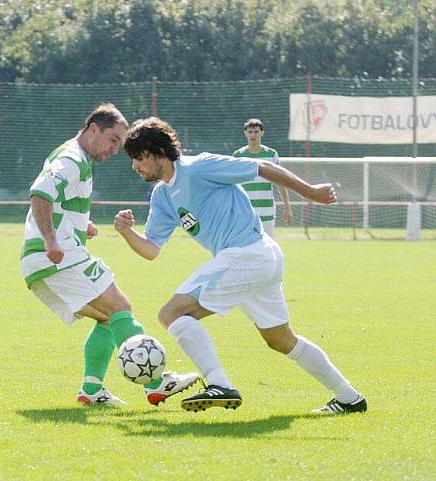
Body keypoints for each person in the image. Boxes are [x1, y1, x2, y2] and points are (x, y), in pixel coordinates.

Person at [114, 116, 366, 414]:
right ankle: (349, 398)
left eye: (138, 158)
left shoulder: (199, 167)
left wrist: (310, 193)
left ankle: (220, 383)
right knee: (281, 340)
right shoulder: (162, 196)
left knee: (172, 313)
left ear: (158, 152)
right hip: (257, 258)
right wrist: (126, 231)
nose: (135, 166)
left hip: (247, 253)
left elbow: (263, 168)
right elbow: (151, 249)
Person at [20, 104, 199, 406]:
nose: (116, 148)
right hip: (57, 257)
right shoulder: (72, 159)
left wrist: (80, 224)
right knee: (119, 306)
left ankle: (91, 390)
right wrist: (51, 240)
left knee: (106, 318)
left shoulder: (79, 161)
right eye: (113, 139)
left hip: (46, 259)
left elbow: (58, 200)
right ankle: (156, 383)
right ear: (93, 130)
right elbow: (40, 193)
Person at [233, 118, 292, 238]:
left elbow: (280, 182)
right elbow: (233, 183)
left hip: (266, 209)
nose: (253, 135)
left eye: (256, 132)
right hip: (245, 211)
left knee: (268, 245)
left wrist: (287, 206)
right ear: (245, 134)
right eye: (250, 132)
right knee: (245, 246)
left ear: (262, 133)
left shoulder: (271, 154)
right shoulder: (238, 156)